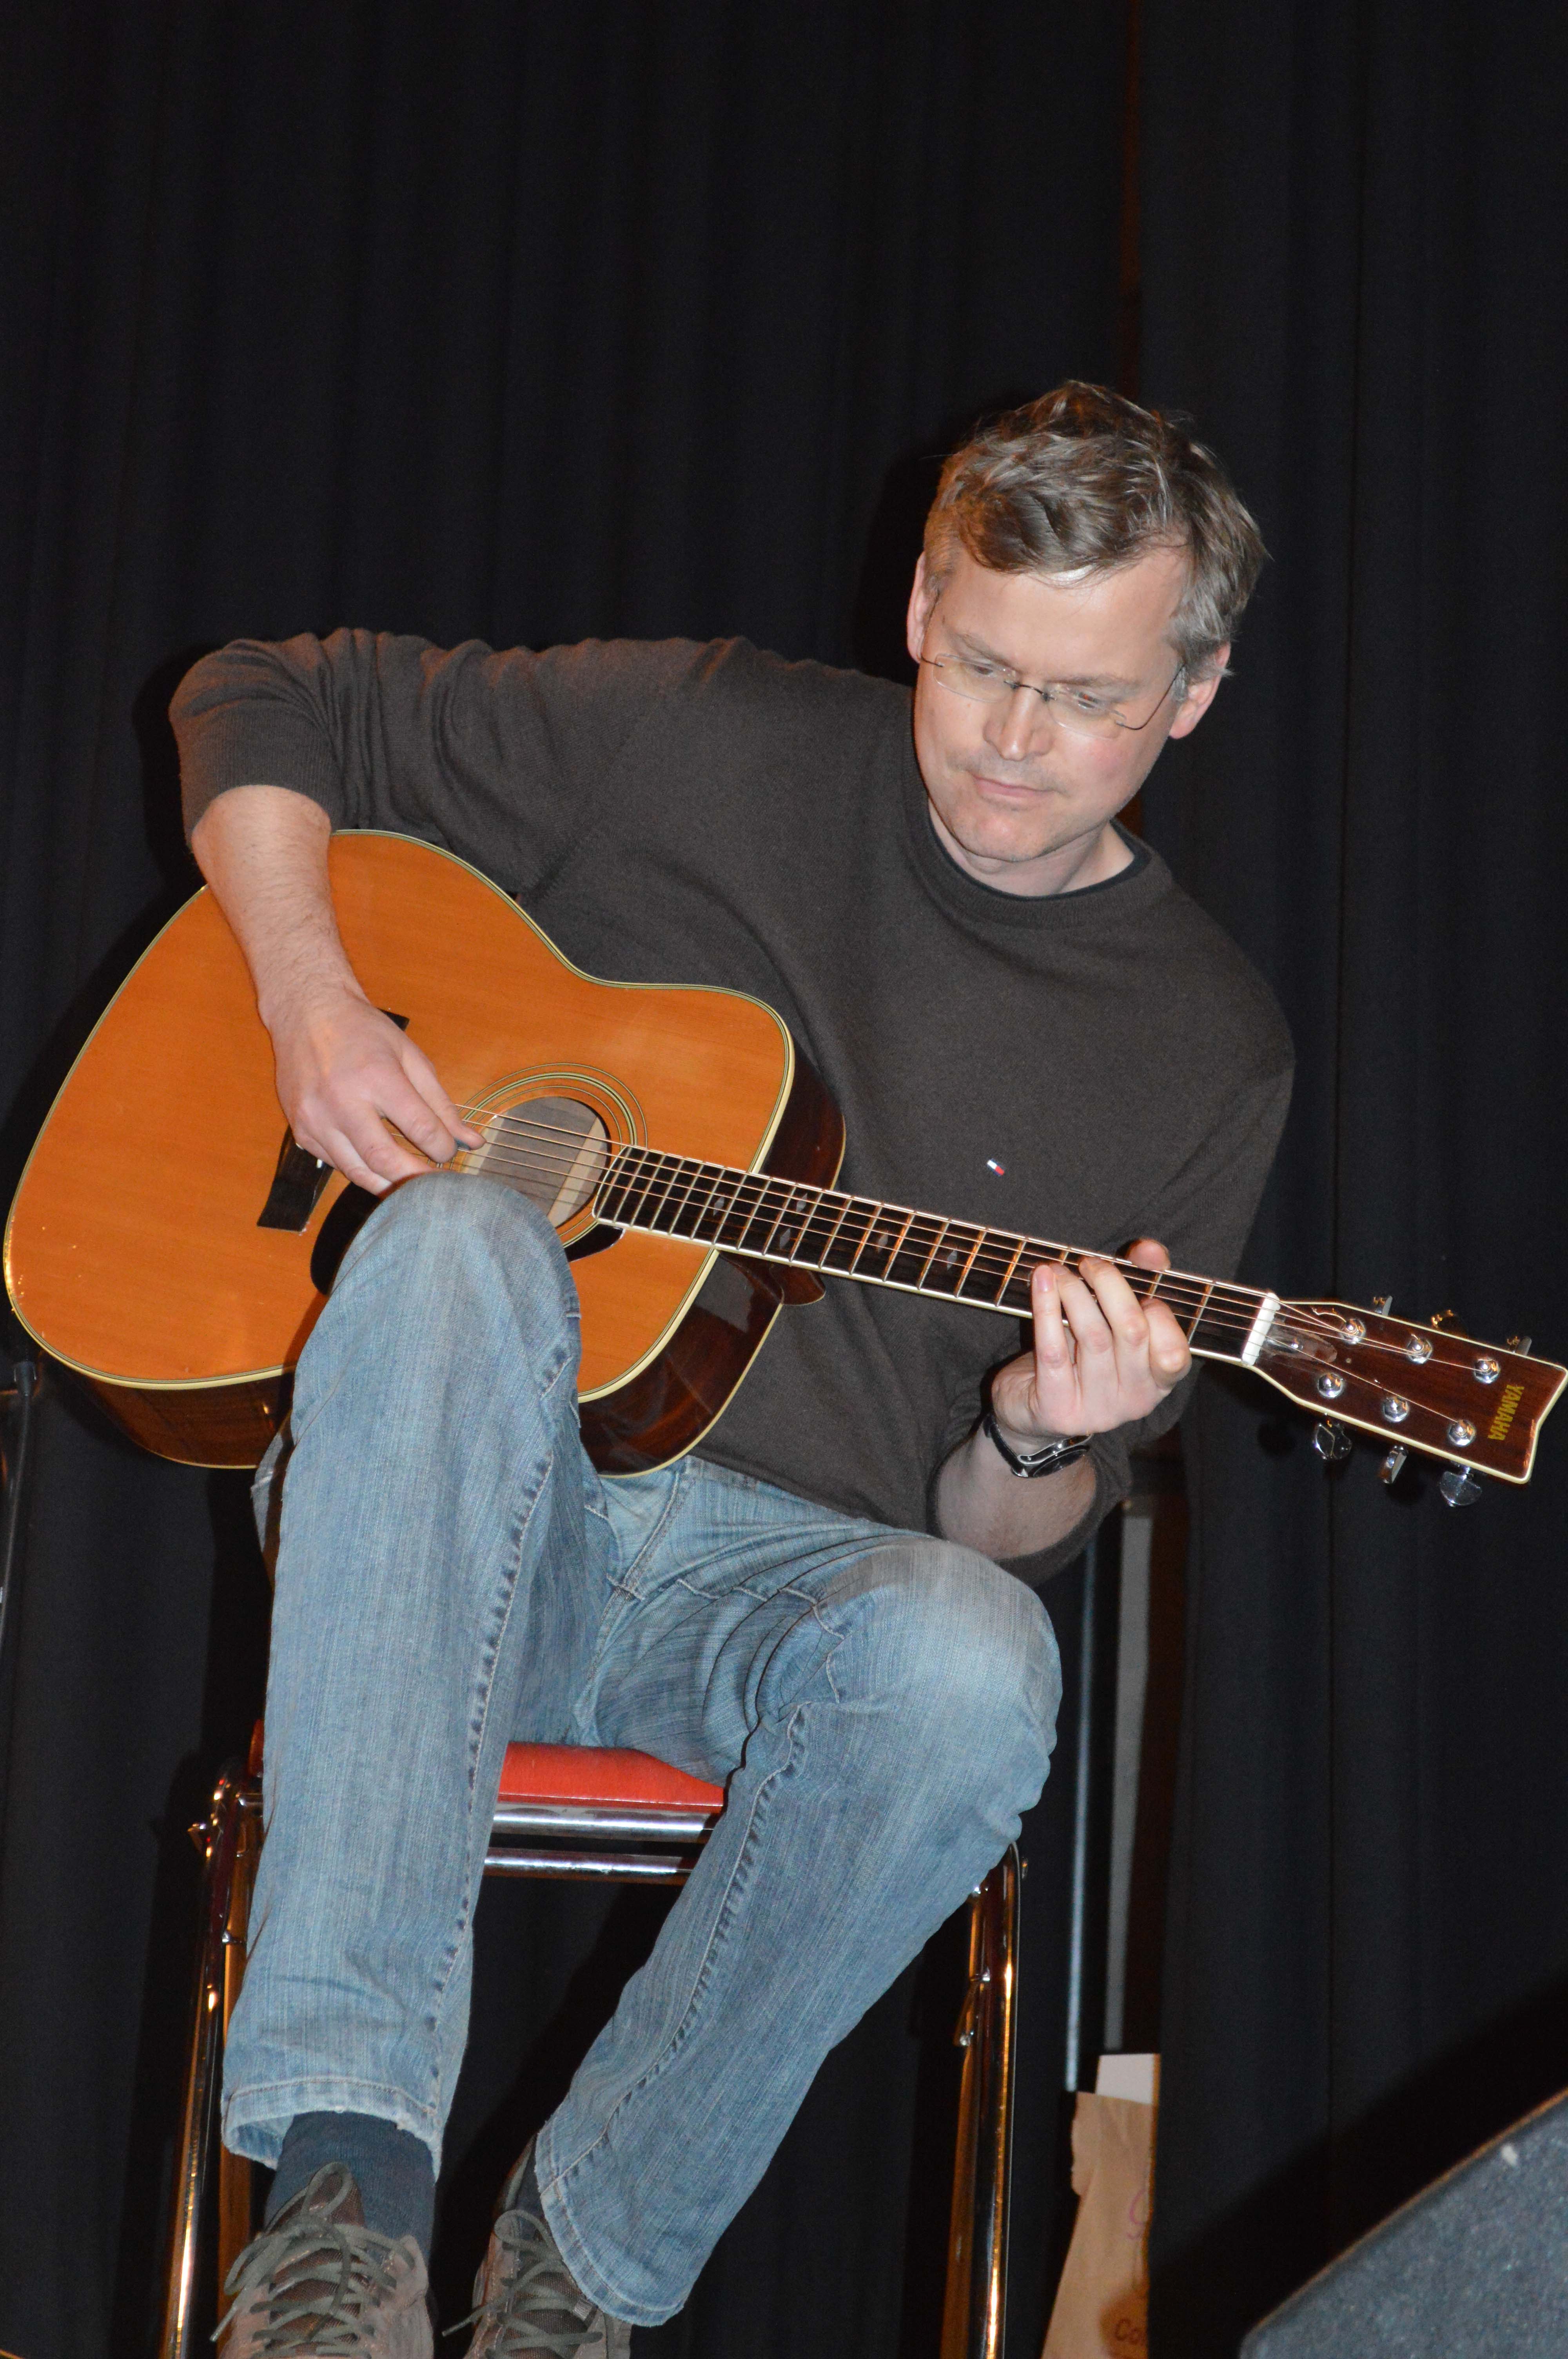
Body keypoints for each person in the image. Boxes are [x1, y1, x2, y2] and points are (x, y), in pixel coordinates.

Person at [171, 382, 1292, 2357]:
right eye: (978, 665)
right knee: (458, 1238)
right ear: (921, 604)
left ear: (1193, 694)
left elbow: (991, 1542)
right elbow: (259, 693)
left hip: (773, 1609)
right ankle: (344, 2211)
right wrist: (313, 1002)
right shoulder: (703, 733)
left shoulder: (1204, 1045)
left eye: (1087, 701)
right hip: (453, 1504)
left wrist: (1039, 1428)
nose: (1011, 739)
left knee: (978, 1658)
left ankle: (571, 2280)